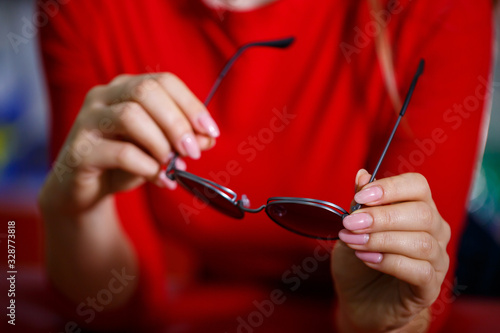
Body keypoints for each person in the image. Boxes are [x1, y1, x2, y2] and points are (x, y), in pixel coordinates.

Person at [38, 0, 494, 332]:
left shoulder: (440, 9)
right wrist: (73, 210)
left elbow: (409, 301)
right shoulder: (84, 10)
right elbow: (114, 309)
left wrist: (387, 325)